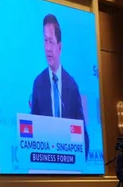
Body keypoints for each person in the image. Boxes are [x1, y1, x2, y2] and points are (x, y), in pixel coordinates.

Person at [29, 13, 89, 156]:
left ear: (60, 47)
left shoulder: (72, 85)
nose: (47, 48)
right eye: (45, 41)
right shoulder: (38, 84)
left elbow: (83, 135)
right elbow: (33, 133)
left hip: (69, 162)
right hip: (45, 164)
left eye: (51, 41)